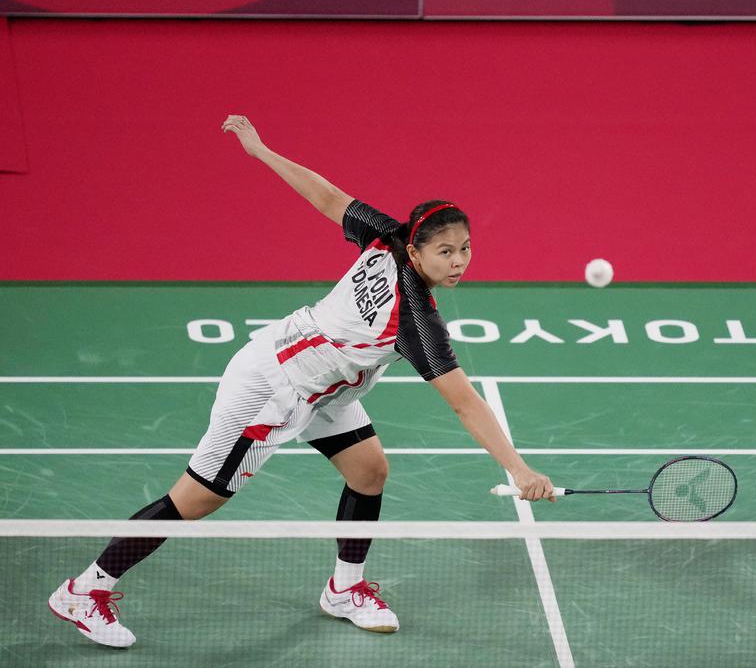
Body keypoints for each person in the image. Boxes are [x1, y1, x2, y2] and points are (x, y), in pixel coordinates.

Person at [48, 115, 555, 649]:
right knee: (195, 500)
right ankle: (86, 589)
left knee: (369, 470)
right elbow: (464, 405)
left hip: (324, 387)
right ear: (415, 250)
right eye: (445, 253)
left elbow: (329, 197)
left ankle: (344, 588)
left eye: (465, 249)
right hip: (272, 388)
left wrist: (261, 151)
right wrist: (517, 469)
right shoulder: (414, 319)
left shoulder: (386, 235)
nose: (458, 263)